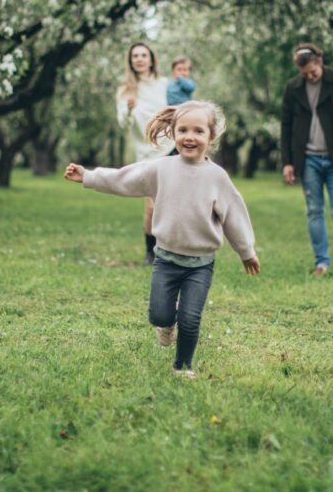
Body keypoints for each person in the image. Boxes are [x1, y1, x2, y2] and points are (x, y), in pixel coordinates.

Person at [64, 100, 261, 378]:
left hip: (200, 265)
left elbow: (235, 217)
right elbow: (123, 178)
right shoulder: (161, 169)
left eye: (198, 131)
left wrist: (246, 251)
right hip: (165, 260)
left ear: (211, 136)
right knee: (159, 315)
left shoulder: (217, 177)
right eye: (183, 130)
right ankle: (166, 323)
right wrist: (89, 176)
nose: (189, 137)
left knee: (190, 320)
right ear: (173, 133)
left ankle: (182, 367)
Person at [280, 43, 333, 279]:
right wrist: (287, 162)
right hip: (308, 160)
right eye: (305, 73)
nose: (310, 76)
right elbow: (286, 126)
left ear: (320, 61)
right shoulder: (294, 88)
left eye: (313, 71)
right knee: (315, 211)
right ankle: (322, 263)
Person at [116, 42, 171, 264]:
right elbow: (123, 123)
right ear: (130, 61)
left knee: (172, 203)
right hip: (147, 153)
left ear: (151, 59)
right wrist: (129, 109)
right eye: (135, 56)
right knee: (152, 205)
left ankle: (171, 250)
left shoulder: (164, 84)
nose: (139, 59)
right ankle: (151, 252)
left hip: (172, 147)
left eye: (143, 55)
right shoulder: (125, 90)